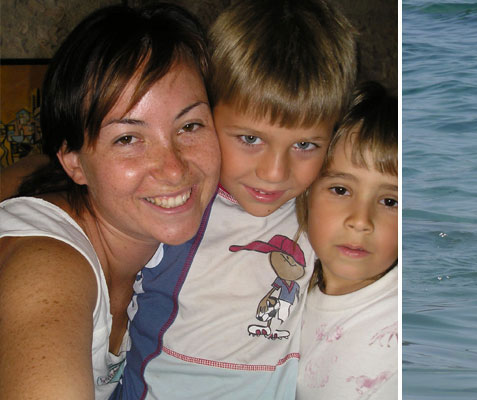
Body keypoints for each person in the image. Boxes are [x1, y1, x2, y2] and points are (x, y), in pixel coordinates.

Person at [114, 0, 357, 398]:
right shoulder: (172, 207)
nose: (274, 173)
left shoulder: (320, 212)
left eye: (305, 145)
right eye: (250, 138)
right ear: (205, 117)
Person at [0, 4, 219, 398]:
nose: (173, 169)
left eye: (189, 126)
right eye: (128, 139)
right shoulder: (48, 264)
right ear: (74, 163)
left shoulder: (145, 236)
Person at [295, 81, 398, 399]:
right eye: (340, 190)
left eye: (390, 202)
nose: (360, 221)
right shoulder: (286, 278)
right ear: (308, 191)